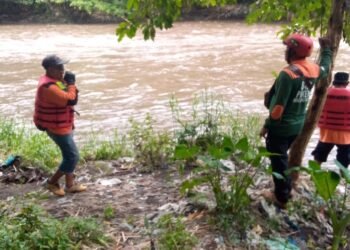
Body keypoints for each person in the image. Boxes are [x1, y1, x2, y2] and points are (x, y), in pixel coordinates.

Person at [260, 34, 333, 209]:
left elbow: (277, 110)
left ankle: (281, 197)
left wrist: (267, 125)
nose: (286, 51)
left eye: (287, 48)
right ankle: (286, 189)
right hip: (297, 125)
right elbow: (325, 67)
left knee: (279, 162)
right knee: (283, 158)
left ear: (291, 51)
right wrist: (327, 50)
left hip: (281, 127)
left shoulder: (288, 74)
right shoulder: (313, 70)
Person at [34, 54, 86, 196]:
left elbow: (71, 96)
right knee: (72, 156)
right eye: (58, 67)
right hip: (57, 127)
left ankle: (70, 185)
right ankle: (52, 182)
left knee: (68, 155)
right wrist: (71, 83)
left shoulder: (56, 80)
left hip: (64, 123)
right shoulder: (48, 87)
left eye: (62, 66)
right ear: (49, 69)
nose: (62, 70)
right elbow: (70, 100)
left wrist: (68, 83)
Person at [312, 72, 350, 169]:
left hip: (326, 133)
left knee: (319, 157)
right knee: (344, 161)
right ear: (347, 83)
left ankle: (313, 177)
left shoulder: (325, 94)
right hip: (345, 134)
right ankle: (344, 180)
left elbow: (314, 109)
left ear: (334, 82)